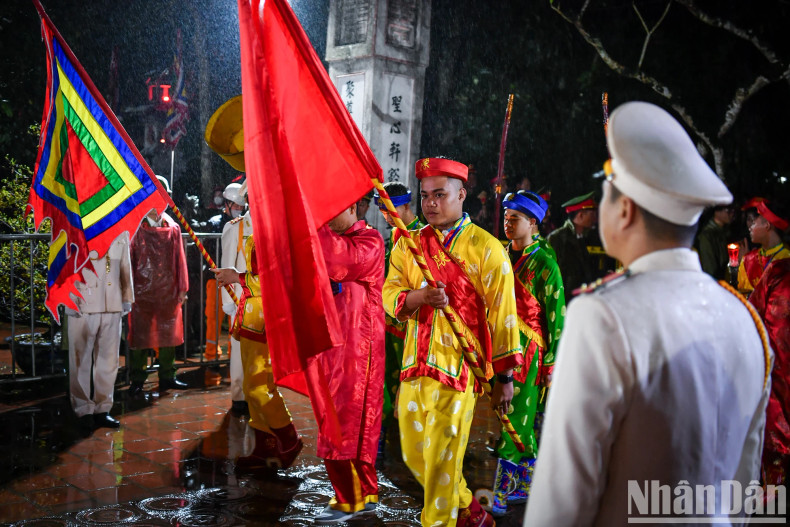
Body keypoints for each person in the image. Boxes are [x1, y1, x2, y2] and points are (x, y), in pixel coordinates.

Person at [524, 101, 771, 525]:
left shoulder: (602, 317)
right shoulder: (745, 319)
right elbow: (745, 483)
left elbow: (561, 501)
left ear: (625, 210)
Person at [383, 157, 522, 527]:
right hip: (415, 365)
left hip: (460, 370)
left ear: (462, 195)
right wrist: (419, 298)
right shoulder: (409, 245)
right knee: (418, 458)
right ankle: (469, 510)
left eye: (440, 195)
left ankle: (441, 521)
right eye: (426, 195)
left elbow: (505, 315)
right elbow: (390, 292)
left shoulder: (487, 249)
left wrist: (504, 379)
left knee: (441, 460)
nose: (431, 203)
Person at [212, 196, 303, 472]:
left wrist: (236, 277)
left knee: (258, 386)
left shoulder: (276, 234)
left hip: (265, 317)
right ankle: (265, 446)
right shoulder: (260, 230)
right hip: (251, 314)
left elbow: (274, 278)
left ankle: (288, 437)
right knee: (254, 388)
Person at [491, 191, 565, 517]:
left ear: (533, 223)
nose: (508, 223)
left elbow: (556, 317)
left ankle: (500, 494)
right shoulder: (500, 255)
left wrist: (551, 361)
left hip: (527, 356)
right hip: (499, 348)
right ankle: (527, 482)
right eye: (506, 217)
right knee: (516, 419)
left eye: (515, 218)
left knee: (512, 419)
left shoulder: (545, 264)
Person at [311, 202, 386, 524]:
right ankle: (366, 492)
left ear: (355, 207)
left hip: (357, 350)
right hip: (335, 347)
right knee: (355, 423)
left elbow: (339, 260)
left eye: (332, 208)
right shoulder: (335, 239)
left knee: (344, 422)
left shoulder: (369, 242)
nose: (325, 216)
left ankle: (348, 498)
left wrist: (309, 227)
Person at [66, 233, 134, 435]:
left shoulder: (120, 231)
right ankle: (83, 409)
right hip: (83, 301)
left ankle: (103, 408)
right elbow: (66, 265)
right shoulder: (75, 227)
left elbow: (125, 265)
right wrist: (70, 300)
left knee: (109, 360)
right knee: (80, 360)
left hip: (112, 303)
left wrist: (126, 298)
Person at [128, 176, 189, 397]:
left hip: (167, 290)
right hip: (141, 291)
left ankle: (167, 376)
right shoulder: (136, 225)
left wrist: (182, 289)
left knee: (168, 333)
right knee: (140, 337)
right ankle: (137, 379)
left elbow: (179, 260)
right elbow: (130, 258)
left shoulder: (172, 226)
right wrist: (128, 289)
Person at [374, 181, 423, 449]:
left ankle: (408, 437)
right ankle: (382, 432)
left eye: (389, 209)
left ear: (405, 205)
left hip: (410, 322)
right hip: (388, 319)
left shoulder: (420, 237)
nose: (384, 214)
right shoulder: (395, 235)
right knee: (385, 376)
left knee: (409, 378)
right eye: (381, 209)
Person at [748, 206, 790, 488]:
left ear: (770, 225)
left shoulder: (784, 268)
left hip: (772, 349)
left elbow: (779, 323)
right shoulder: (751, 260)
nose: (750, 226)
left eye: (756, 221)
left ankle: (777, 478)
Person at [203, 181, 246, 388]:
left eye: (240, 205)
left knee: (234, 326)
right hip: (215, 280)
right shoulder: (216, 222)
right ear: (226, 204)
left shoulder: (244, 224)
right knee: (213, 319)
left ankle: (232, 358)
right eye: (235, 204)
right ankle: (211, 357)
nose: (238, 207)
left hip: (235, 282)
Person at [218, 183, 250, 415]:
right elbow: (226, 266)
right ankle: (239, 396)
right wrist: (228, 302)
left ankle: (258, 392)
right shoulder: (236, 228)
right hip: (241, 297)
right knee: (239, 349)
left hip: (263, 297)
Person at [546, 192, 599, 294]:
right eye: (592, 215)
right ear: (580, 215)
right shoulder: (557, 238)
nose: (595, 219)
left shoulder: (582, 238)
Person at [738, 199, 790, 295]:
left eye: (753, 223)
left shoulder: (786, 258)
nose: (750, 227)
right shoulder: (748, 260)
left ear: (767, 225)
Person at [696, 204, 736, 280]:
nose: (732, 214)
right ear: (717, 212)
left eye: (733, 210)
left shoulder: (728, 232)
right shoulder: (707, 235)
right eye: (728, 211)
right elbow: (710, 267)